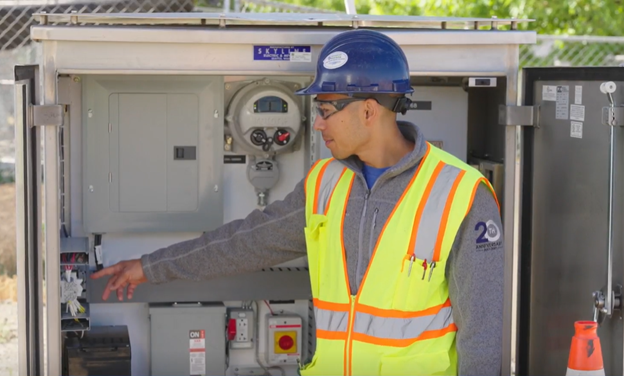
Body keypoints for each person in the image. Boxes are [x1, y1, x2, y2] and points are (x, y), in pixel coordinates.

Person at [91, 29, 504, 375]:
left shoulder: (461, 194)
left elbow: (481, 337)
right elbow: (246, 241)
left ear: (368, 110)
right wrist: (149, 267)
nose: (319, 122)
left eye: (327, 109)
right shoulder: (325, 181)